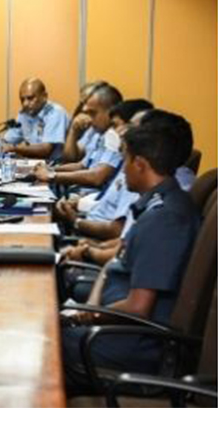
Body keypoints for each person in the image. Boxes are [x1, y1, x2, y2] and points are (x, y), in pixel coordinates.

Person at [60, 111, 200, 394]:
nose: (122, 170)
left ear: (140, 164)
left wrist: (85, 316)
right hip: (114, 327)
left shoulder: (164, 220)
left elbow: (138, 307)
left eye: (125, 160)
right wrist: (88, 310)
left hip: (132, 346)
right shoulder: (156, 206)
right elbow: (115, 262)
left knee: (41, 342)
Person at [53, 99, 153, 240]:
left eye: (118, 126)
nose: (120, 132)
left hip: (92, 234)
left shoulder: (138, 172)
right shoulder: (120, 154)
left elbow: (117, 231)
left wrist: (76, 220)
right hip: (90, 221)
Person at [34, 83, 123, 194]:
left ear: (112, 111)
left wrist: (52, 175)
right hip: (81, 193)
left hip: (93, 198)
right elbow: (82, 165)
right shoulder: (99, 133)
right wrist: (50, 170)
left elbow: (97, 177)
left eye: (93, 113)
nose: (89, 119)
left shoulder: (115, 137)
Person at [2, 78, 70, 160]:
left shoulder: (56, 113)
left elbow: (45, 150)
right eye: (22, 99)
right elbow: (9, 139)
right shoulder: (24, 114)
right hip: (32, 163)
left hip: (56, 166)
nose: (25, 103)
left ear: (44, 96)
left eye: (30, 98)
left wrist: (15, 148)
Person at [60, 80, 107, 163]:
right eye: (82, 103)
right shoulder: (91, 129)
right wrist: (73, 131)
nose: (84, 107)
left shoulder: (111, 133)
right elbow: (70, 158)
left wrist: (53, 173)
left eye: (87, 102)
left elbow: (96, 173)